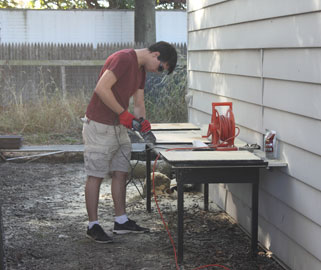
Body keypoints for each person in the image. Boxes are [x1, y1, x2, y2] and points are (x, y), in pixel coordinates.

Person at [82, 41, 177, 243]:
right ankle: (93, 225)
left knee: (120, 172)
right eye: (161, 68)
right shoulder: (124, 58)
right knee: (96, 175)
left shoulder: (141, 70)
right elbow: (101, 88)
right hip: (99, 124)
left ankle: (121, 221)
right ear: (156, 55)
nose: (158, 72)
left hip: (118, 127)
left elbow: (139, 103)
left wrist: (142, 123)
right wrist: (123, 115)